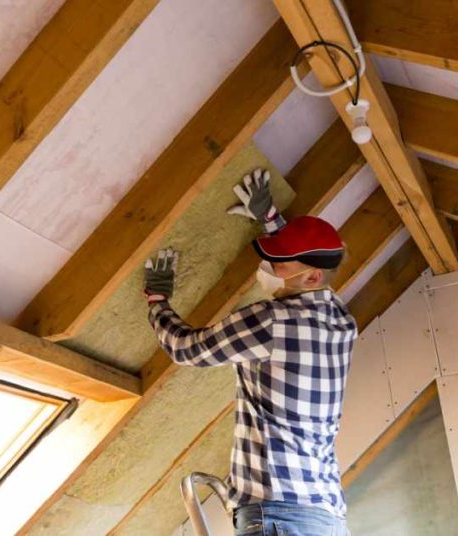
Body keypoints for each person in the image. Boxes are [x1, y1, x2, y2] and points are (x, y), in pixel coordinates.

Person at [143, 168, 356, 536]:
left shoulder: (270, 321)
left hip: (278, 515)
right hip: (326, 517)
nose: (270, 268)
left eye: (280, 263)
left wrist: (157, 300)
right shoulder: (341, 322)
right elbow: (309, 260)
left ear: (311, 278)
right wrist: (272, 221)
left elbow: (186, 348)